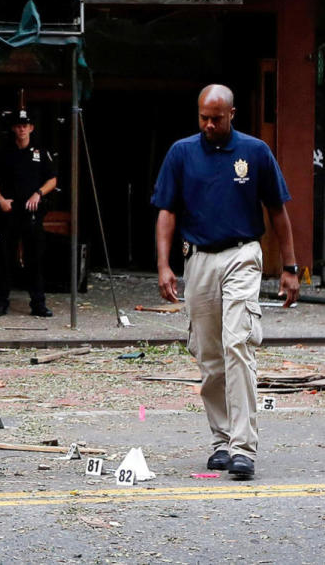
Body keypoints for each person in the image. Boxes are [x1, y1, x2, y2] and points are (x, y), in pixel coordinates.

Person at [152, 84, 299, 479]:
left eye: (216, 118)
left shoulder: (255, 152)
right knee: (209, 356)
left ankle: (243, 448)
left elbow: (277, 211)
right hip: (197, 259)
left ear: (232, 114)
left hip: (242, 255)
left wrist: (290, 266)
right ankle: (221, 440)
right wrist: (164, 266)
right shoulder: (181, 153)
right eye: (203, 117)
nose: (209, 124)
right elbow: (166, 212)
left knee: (238, 344)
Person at [0, 109, 57, 317]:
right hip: (9, 211)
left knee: (34, 259)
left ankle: (38, 304)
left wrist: (38, 193)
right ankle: (0, 303)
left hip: (32, 211)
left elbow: (52, 179)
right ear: (13, 128)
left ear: (31, 128)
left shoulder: (40, 153)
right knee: (5, 259)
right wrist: (0, 199)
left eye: (25, 125)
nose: (22, 129)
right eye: (18, 125)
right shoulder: (4, 152)